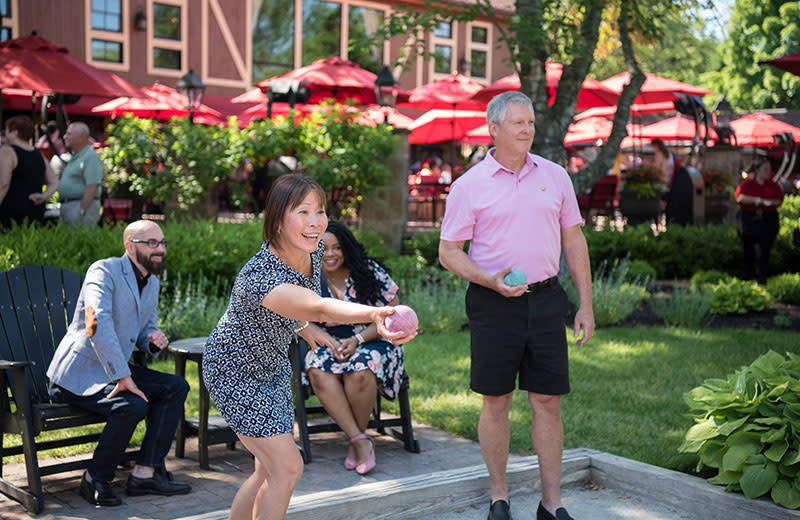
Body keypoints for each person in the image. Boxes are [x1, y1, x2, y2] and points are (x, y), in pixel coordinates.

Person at [202, 174, 415, 520]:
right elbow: (316, 305)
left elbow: (299, 308)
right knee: (288, 467)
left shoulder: (309, 252)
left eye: (320, 211)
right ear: (277, 219)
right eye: (303, 212)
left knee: (266, 471)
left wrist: (302, 327)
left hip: (272, 369)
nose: (315, 222)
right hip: (234, 372)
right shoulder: (261, 275)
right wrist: (376, 314)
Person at [438, 91, 594, 520]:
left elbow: (574, 241)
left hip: (546, 302)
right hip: (493, 304)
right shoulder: (469, 185)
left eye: (530, 123)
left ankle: (552, 503)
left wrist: (586, 305)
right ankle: (499, 497)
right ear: (494, 129)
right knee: (497, 401)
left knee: (548, 402)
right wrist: (489, 279)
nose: (527, 130)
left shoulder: (556, 175)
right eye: (518, 123)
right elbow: (448, 251)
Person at [46, 220, 192, 507]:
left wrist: (150, 340)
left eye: (163, 243)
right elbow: (96, 324)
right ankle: (95, 478)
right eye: (152, 243)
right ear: (129, 245)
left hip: (112, 371)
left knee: (176, 387)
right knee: (133, 404)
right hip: (77, 374)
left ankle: (144, 473)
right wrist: (122, 376)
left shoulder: (153, 282)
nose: (160, 249)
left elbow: (143, 328)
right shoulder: (103, 271)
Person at [302, 221, 405, 475]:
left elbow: (393, 313)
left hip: (374, 339)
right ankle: (360, 440)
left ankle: (355, 443)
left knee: (359, 369)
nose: (330, 254)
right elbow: (298, 319)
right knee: (316, 369)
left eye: (337, 247)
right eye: (322, 248)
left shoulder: (368, 271)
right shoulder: (306, 277)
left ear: (346, 248)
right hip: (329, 339)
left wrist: (358, 340)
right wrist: (329, 340)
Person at [0, 115, 59, 228]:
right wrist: (43, 196)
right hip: (35, 209)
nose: (5, 135)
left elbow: (3, 183)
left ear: (15, 132)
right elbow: (54, 181)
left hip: (11, 209)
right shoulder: (39, 155)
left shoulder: (7, 151)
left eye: (6, 131)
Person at [735, 158, 784, 284]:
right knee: (748, 248)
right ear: (757, 170)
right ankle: (747, 274)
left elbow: (779, 200)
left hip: (767, 219)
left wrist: (768, 202)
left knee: (765, 248)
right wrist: (756, 200)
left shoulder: (773, 185)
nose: (768, 172)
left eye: (769, 169)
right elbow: (740, 197)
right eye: (765, 169)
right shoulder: (747, 185)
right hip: (749, 219)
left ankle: (761, 275)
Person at [60, 122, 103, 226]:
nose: (65, 137)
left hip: (80, 207)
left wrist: (81, 210)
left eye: (69, 134)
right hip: (71, 206)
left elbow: (92, 185)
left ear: (80, 136)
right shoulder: (77, 156)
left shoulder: (90, 156)